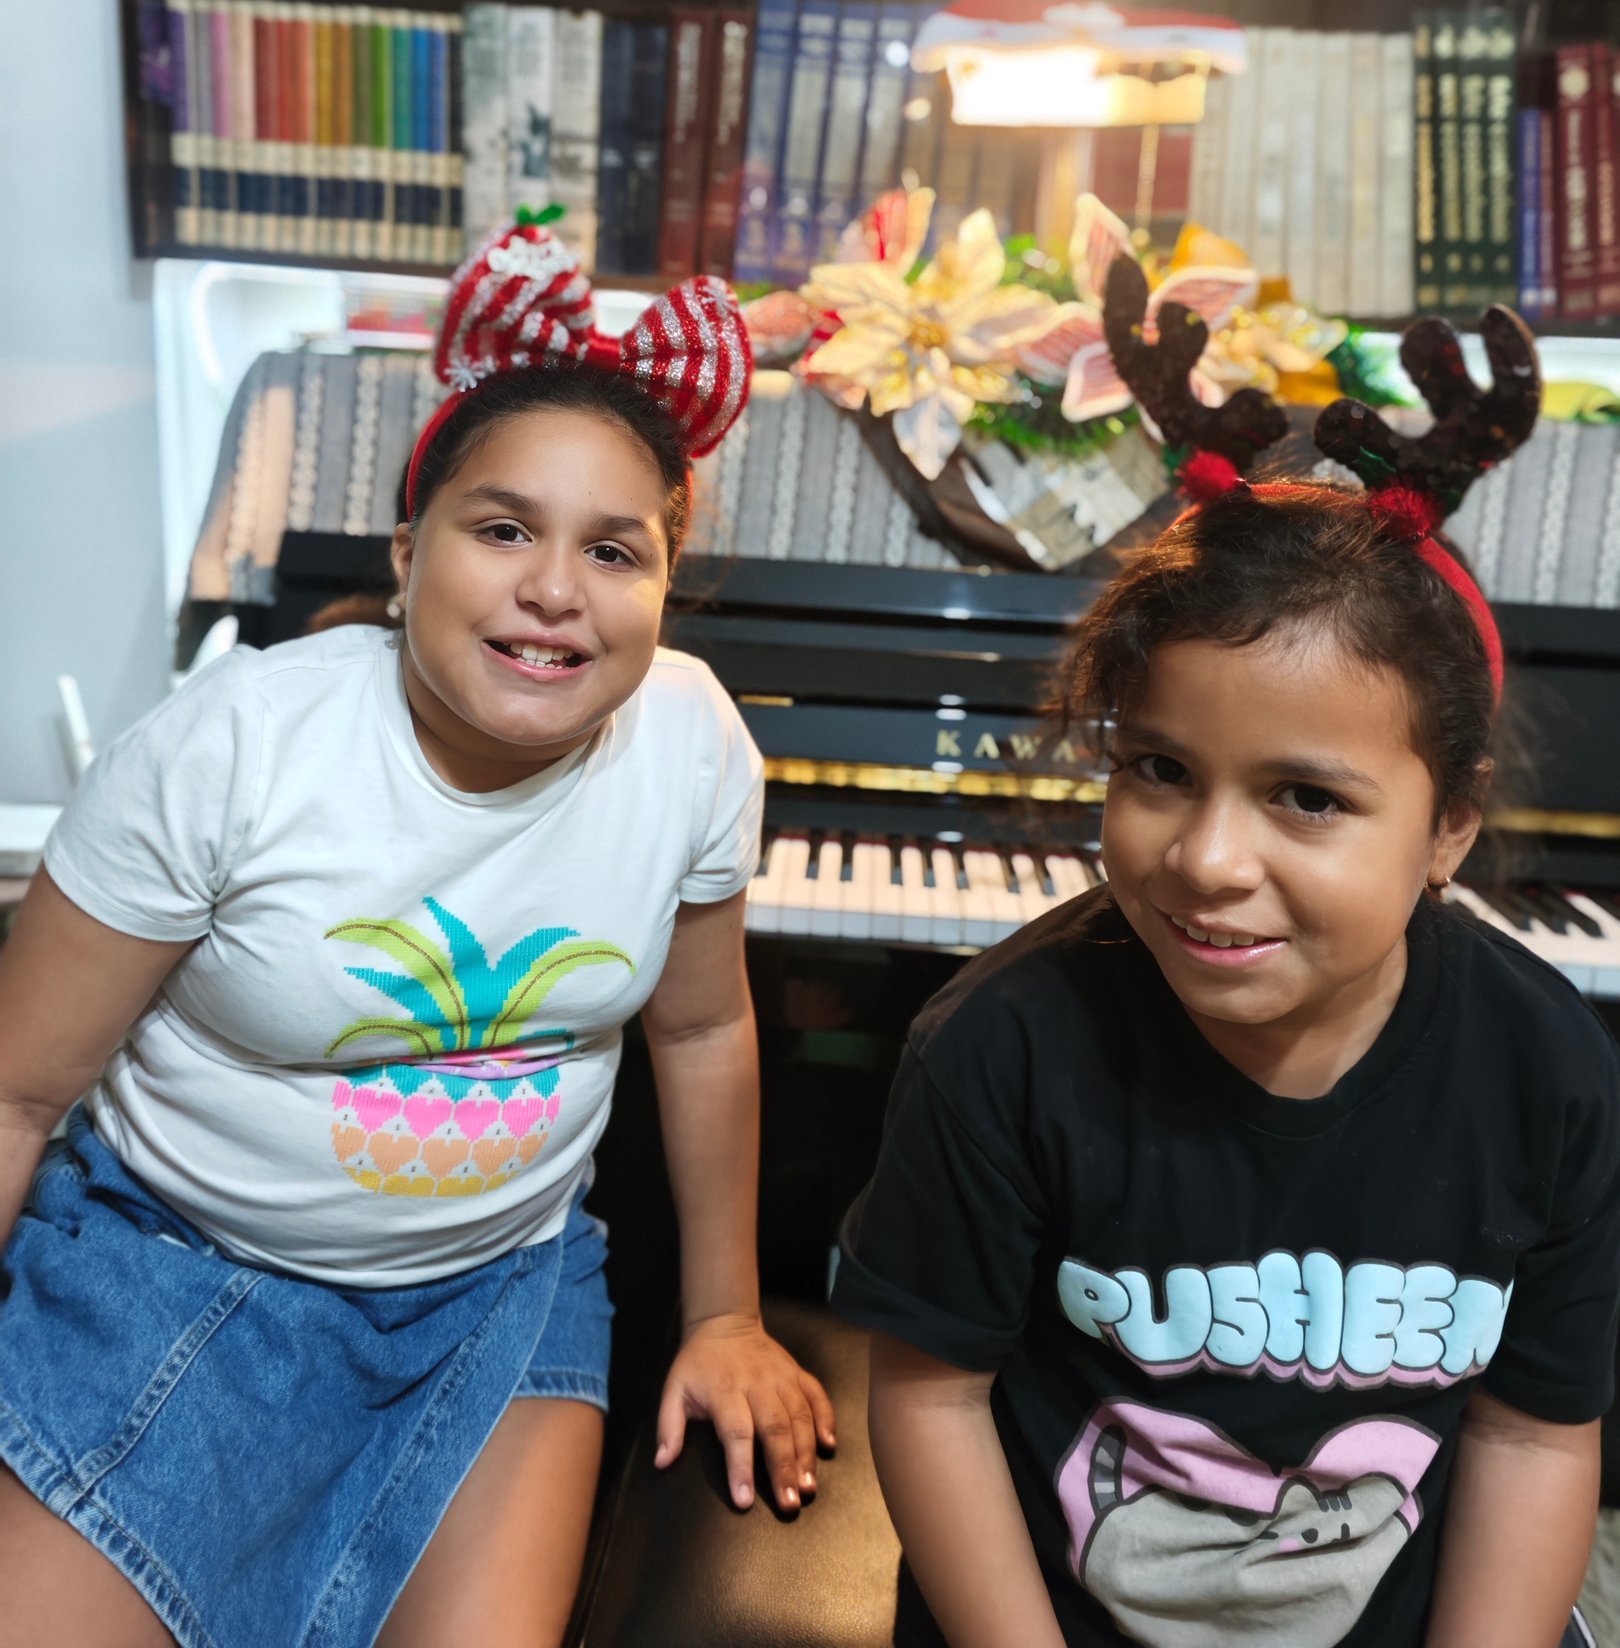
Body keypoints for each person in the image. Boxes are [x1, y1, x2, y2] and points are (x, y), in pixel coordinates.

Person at [0, 220, 833, 1648]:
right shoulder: (232, 746)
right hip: (172, 1271)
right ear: (408, 553)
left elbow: (702, 1029)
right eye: (503, 527)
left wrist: (728, 1316)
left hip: (495, 1299)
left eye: (613, 550)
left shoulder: (691, 738)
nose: (556, 589)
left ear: (662, 585)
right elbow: (16, 1090)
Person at [831, 264, 1620, 1648]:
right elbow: (933, 1397)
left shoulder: (1549, 1073)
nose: (1205, 859)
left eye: (1306, 798)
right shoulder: (1000, 1048)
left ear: (1452, 826)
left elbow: (1535, 1437)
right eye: (1157, 769)